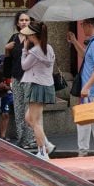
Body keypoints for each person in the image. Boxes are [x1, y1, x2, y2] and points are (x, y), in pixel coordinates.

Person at [67, 16, 94, 157]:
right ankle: (84, 153)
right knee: (84, 122)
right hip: (91, 90)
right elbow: (86, 56)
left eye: (83, 24)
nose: (82, 27)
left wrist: (86, 87)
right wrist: (74, 41)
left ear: (90, 24)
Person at [20, 21, 57, 160]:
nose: (27, 38)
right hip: (47, 85)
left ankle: (43, 152)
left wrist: (24, 50)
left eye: (28, 35)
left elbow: (24, 66)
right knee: (29, 118)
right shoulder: (49, 48)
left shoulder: (35, 51)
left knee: (35, 121)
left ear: (33, 35)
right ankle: (46, 145)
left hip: (38, 85)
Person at [5, 12, 37, 149]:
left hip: (30, 77)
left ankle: (31, 140)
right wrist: (6, 50)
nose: (24, 22)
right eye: (21, 20)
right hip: (16, 77)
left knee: (28, 110)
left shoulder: (35, 38)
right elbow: (8, 61)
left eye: (26, 20)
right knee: (18, 110)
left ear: (30, 22)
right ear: (17, 23)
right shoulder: (13, 38)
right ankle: (21, 139)